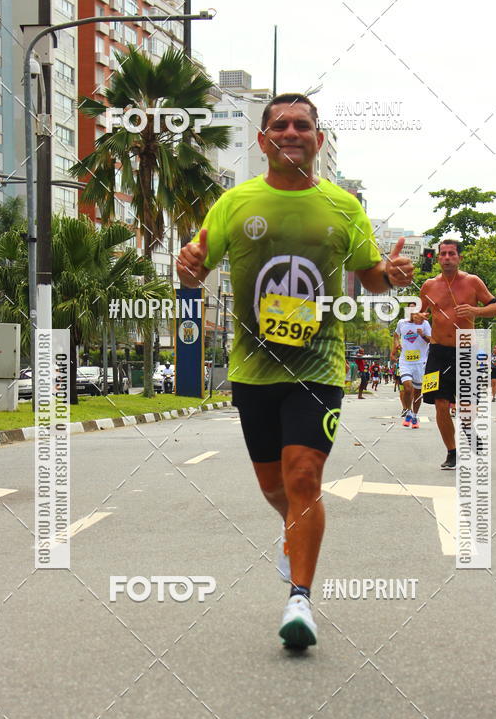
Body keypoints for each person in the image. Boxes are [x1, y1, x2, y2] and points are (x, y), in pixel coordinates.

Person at [176, 92, 413, 649]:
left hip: (318, 364)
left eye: (301, 124)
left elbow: (370, 275)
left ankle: (300, 600)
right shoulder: (235, 203)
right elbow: (194, 268)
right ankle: (292, 532)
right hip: (253, 369)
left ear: (317, 139)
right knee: (274, 486)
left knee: (304, 476)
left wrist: (390, 274)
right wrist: (187, 268)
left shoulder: (342, 206)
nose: (289, 131)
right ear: (262, 141)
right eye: (278, 124)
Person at [419, 239, 496, 468]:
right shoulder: (428, 285)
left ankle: (468, 427)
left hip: (466, 350)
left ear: (459, 257)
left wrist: (475, 310)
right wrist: (417, 317)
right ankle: (452, 451)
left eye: (451, 254)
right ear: (438, 258)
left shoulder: (472, 282)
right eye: (443, 254)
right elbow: (416, 313)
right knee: (440, 403)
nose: (447, 257)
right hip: (436, 352)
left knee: (466, 407)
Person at [391, 304, 431, 429]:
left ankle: (414, 415)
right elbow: (396, 335)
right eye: (411, 309)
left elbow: (431, 339)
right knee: (408, 388)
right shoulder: (402, 323)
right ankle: (408, 411)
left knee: (418, 392)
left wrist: (422, 335)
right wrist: (397, 345)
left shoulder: (424, 324)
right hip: (405, 362)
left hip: (420, 362)